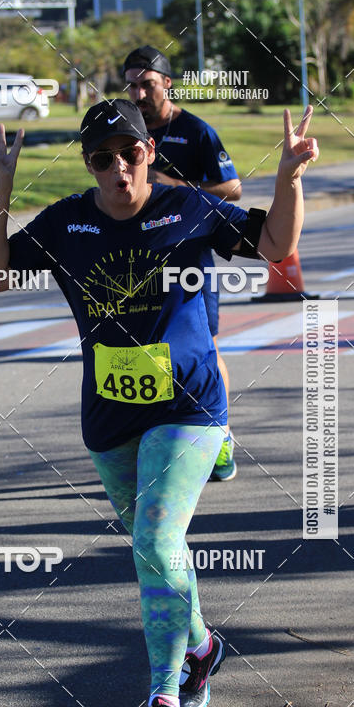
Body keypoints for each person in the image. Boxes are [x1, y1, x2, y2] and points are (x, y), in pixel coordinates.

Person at [0, 99, 318, 707]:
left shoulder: (186, 209)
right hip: (109, 418)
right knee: (157, 552)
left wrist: (289, 179)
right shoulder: (68, 221)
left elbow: (276, 245)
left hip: (189, 409)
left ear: (148, 154)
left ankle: (165, 699)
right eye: (102, 159)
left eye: (129, 154)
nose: (118, 169)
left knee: (157, 542)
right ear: (91, 165)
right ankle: (205, 647)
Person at [124, 45, 242, 482]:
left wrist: (172, 184)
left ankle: (221, 436)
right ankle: (155, 447)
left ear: (167, 83)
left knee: (205, 349)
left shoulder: (195, 130)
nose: (138, 93)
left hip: (188, 261)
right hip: (138, 266)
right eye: (131, 84)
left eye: (147, 84)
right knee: (146, 356)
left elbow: (232, 189)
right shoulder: (126, 128)